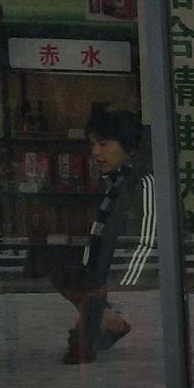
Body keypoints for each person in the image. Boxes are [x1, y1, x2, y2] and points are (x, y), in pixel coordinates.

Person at [57, 110, 156, 363]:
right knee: (59, 269)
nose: (95, 153)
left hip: (122, 281)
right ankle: (104, 320)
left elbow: (145, 242)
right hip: (103, 278)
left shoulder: (142, 183)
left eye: (103, 144)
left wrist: (120, 288)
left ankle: (105, 321)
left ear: (129, 148)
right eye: (93, 145)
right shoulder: (117, 183)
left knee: (80, 349)